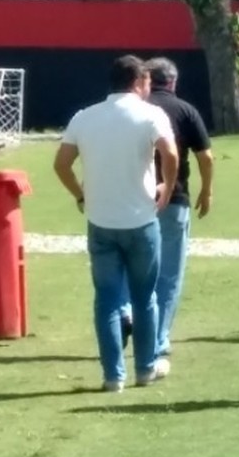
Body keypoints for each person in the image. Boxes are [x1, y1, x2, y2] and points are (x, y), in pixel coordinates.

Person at [53, 55, 179, 392]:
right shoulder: (151, 114)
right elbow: (170, 152)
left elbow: (62, 163)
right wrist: (166, 185)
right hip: (140, 219)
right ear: (138, 82)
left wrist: (80, 194)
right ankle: (146, 367)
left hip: (101, 219)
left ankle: (113, 375)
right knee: (145, 297)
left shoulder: (85, 117)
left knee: (107, 300)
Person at [117, 57, 214, 365]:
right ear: (173, 82)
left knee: (130, 267)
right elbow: (205, 156)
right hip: (173, 198)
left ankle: (126, 313)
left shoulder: (132, 113)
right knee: (168, 273)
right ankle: (157, 338)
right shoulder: (184, 110)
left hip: (133, 199)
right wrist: (206, 189)